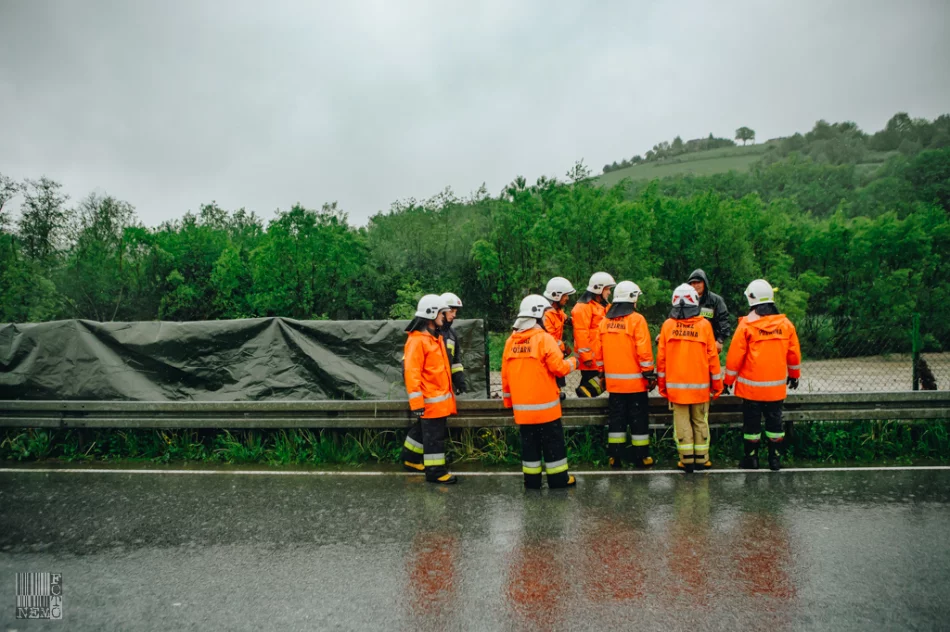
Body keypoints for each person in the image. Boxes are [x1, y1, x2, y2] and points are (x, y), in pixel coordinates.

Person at [502, 295, 580, 489]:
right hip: (547, 410)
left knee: (530, 447)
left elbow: (505, 377)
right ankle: (559, 480)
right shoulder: (544, 339)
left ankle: (532, 481)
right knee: (553, 445)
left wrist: (508, 403)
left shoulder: (510, 342)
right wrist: (574, 362)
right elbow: (560, 368)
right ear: (537, 315)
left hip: (523, 412)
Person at [724, 279, 802, 471]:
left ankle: (752, 459)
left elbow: (735, 357)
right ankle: (774, 459)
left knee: (752, 425)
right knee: (775, 422)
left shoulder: (746, 326)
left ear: (751, 299)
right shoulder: (785, 325)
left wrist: (727, 382)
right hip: (775, 390)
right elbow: (794, 354)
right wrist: (794, 375)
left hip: (751, 389)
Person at [657, 284, 724, 473]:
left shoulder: (668, 326)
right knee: (700, 421)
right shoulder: (704, 326)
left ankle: (686, 460)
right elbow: (713, 359)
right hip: (700, 388)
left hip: (676, 389)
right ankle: (702, 459)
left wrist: (662, 386)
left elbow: (661, 360)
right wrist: (717, 385)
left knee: (682, 423)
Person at [595, 281, 656, 468]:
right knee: (638, 422)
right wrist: (649, 374)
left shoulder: (604, 322)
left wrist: (602, 373)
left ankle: (615, 456)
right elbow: (644, 352)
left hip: (614, 385)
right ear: (632, 298)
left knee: (616, 421)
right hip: (636, 384)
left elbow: (598, 354)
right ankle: (641, 456)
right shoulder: (637, 320)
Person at [401, 294, 459, 484]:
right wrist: (416, 402)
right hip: (430, 401)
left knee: (423, 431)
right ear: (432, 314)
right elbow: (412, 372)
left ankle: (409, 458)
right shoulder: (418, 341)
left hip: (437, 400)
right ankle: (435, 472)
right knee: (434, 437)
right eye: (442, 313)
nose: (445, 317)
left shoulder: (433, 338)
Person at [571, 271, 616, 398]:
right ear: (599, 289)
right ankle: (583, 408)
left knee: (596, 384)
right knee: (590, 386)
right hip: (591, 358)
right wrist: (587, 357)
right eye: (607, 289)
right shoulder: (583, 307)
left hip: (598, 356)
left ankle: (584, 405)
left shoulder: (603, 306)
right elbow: (581, 332)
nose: (609, 292)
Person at [542, 277, 576, 399]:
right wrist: (563, 346)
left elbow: (568, 320)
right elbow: (548, 338)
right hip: (549, 354)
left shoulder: (558, 312)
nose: (567, 298)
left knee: (558, 382)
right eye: (565, 295)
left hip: (556, 354)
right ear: (556, 295)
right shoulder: (546, 314)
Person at [686, 269, 732, 353]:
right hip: (689, 343)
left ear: (704, 283)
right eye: (693, 283)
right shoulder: (684, 300)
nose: (696, 285)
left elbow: (724, 320)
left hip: (709, 343)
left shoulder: (715, 300)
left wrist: (720, 340)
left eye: (698, 282)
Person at [439, 292, 467, 395]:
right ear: (441, 311)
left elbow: (456, 363)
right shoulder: (430, 333)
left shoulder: (452, 334)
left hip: (446, 389)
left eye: (455, 311)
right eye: (451, 311)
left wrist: (460, 383)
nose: (454, 315)